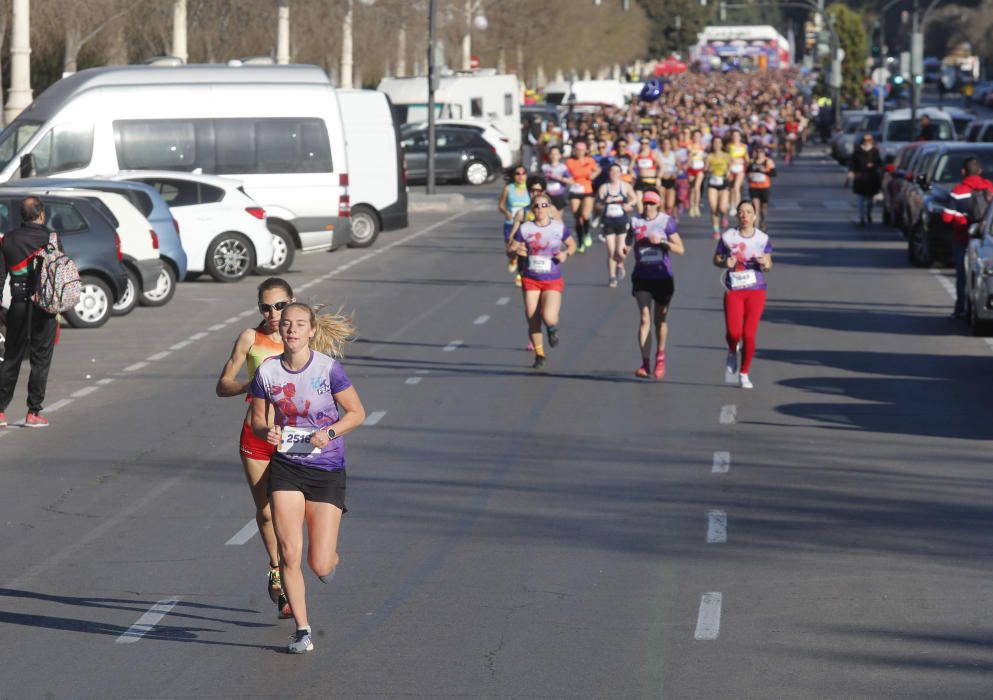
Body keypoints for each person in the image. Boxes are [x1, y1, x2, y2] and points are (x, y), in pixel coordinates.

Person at [250, 302, 365, 654]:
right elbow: (258, 420)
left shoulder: (328, 369)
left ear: (312, 330)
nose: (292, 329)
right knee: (289, 553)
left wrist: (328, 433)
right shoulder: (268, 371)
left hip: (326, 469)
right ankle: (302, 630)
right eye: (287, 323)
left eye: (300, 324)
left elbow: (356, 413)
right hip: (286, 466)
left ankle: (330, 558)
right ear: (280, 329)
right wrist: (267, 431)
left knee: (320, 564)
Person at [0, 197, 59, 428]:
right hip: (44, 307)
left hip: (18, 304)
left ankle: (0, 411)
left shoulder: (8, 239)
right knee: (40, 359)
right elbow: (59, 272)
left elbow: (0, 275)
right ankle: (33, 413)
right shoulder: (51, 239)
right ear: (41, 214)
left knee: (12, 357)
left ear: (22, 216)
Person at [506, 192, 576, 368]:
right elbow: (510, 250)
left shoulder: (558, 228)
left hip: (552, 278)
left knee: (549, 316)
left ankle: (552, 329)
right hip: (531, 278)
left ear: (549, 208)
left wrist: (565, 253)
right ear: (532, 209)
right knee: (532, 318)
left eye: (544, 205)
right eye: (536, 206)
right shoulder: (525, 228)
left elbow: (572, 245)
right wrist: (515, 251)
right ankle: (539, 354)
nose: (540, 209)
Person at [620, 189, 684, 379]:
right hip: (642, 277)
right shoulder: (635, 222)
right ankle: (645, 363)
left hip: (663, 277)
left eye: (651, 203)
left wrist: (663, 242)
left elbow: (680, 249)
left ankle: (660, 357)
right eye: (646, 203)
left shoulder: (665, 222)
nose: (648, 206)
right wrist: (624, 249)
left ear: (658, 204)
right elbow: (628, 240)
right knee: (645, 318)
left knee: (660, 321)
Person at [714, 201, 773, 390]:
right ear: (737, 216)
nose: (744, 215)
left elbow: (769, 265)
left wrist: (765, 264)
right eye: (741, 212)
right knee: (734, 332)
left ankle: (744, 373)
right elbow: (716, 259)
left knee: (749, 334)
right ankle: (732, 350)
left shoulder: (762, 238)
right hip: (734, 290)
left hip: (756, 290)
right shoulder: (728, 237)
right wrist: (725, 262)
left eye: (748, 212)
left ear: (755, 216)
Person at [947, 157, 993, 319]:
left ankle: (961, 308)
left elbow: (947, 217)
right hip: (985, 238)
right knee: (980, 276)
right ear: (980, 171)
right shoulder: (990, 187)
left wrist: (961, 218)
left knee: (962, 275)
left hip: (962, 237)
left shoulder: (958, 191)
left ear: (963, 172)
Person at [595, 163, 636, 287]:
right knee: (611, 251)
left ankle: (620, 263)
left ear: (620, 173)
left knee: (620, 250)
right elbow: (597, 206)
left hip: (622, 221)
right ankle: (612, 277)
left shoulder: (625, 186)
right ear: (609, 173)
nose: (614, 174)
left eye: (617, 171)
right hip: (608, 222)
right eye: (612, 171)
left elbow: (634, 199)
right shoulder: (604, 188)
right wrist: (604, 202)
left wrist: (628, 205)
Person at [565, 142, 600, 252]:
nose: (580, 152)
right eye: (577, 149)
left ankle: (587, 233)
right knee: (577, 218)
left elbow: (597, 169)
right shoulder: (569, 161)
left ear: (585, 151)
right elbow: (565, 174)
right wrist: (568, 180)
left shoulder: (590, 160)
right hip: (575, 189)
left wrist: (594, 175)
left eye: (582, 150)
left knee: (585, 215)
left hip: (587, 189)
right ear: (574, 150)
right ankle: (580, 243)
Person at [498, 167, 531, 280]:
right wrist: (506, 212)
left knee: (522, 250)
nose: (521, 176)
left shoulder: (530, 189)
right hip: (510, 223)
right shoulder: (508, 188)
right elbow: (501, 205)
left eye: (523, 173)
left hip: (524, 225)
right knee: (511, 250)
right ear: (513, 175)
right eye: (518, 173)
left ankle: (520, 275)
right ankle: (513, 259)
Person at [847, 133, 882, 226]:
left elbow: (879, 163)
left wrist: (873, 165)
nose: (867, 142)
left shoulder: (875, 151)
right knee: (860, 199)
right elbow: (852, 163)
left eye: (869, 140)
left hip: (871, 178)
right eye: (865, 140)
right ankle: (861, 217)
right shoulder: (858, 151)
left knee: (870, 200)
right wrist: (852, 171)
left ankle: (868, 213)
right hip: (860, 177)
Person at [706, 136, 732, 238]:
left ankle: (724, 215)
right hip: (712, 182)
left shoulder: (726, 156)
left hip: (723, 182)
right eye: (715, 142)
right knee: (713, 208)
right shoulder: (709, 156)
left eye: (718, 142)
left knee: (722, 208)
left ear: (721, 144)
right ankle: (716, 230)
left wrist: (728, 172)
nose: (717, 144)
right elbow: (705, 169)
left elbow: (731, 168)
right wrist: (709, 169)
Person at [747, 148, 777, 230]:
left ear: (764, 153)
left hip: (764, 187)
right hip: (754, 187)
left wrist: (765, 171)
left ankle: (763, 221)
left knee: (764, 208)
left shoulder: (768, 161)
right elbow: (747, 171)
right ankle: (756, 227)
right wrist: (749, 176)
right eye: (757, 151)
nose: (759, 153)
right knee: (755, 208)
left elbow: (774, 173)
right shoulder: (752, 161)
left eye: (761, 152)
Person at [541, 145, 571, 212]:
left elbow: (571, 181)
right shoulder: (544, 167)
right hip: (547, 195)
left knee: (558, 216)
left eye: (556, 154)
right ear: (549, 155)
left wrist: (560, 178)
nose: (553, 156)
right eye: (551, 153)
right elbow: (541, 180)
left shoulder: (563, 168)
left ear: (560, 155)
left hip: (559, 195)